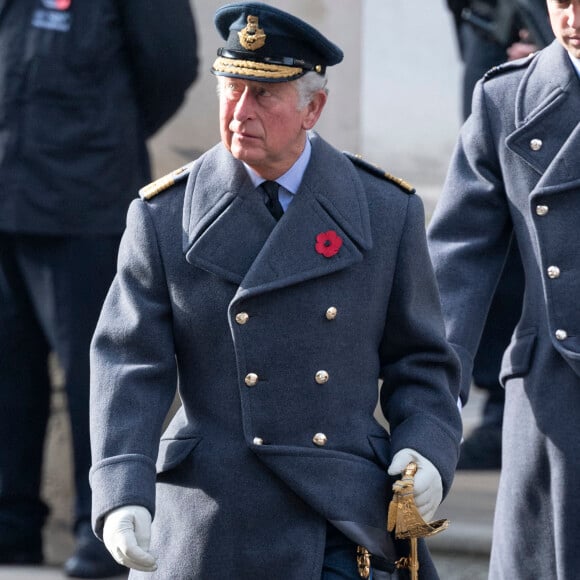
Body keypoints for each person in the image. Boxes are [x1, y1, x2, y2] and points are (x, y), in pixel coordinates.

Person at [88, 3, 462, 579]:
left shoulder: (384, 210)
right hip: (210, 506)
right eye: (231, 89)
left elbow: (423, 360)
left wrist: (427, 448)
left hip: (340, 505)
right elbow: (129, 361)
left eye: (264, 95)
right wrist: (122, 487)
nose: (240, 112)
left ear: (313, 107)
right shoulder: (163, 215)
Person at [0, 1, 198, 577]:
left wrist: (97, 129)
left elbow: (168, 69)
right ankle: (11, 526)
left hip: (82, 200)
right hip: (8, 195)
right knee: (8, 378)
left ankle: (104, 535)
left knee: (98, 378)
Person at [428, 0, 580, 576]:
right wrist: (430, 398)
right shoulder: (505, 98)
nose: (572, 16)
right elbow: (459, 257)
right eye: (560, 0)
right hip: (551, 390)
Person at [445, 0, 552, 470]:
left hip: (548, 25)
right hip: (492, 28)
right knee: (497, 224)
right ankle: (499, 402)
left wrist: (552, 31)